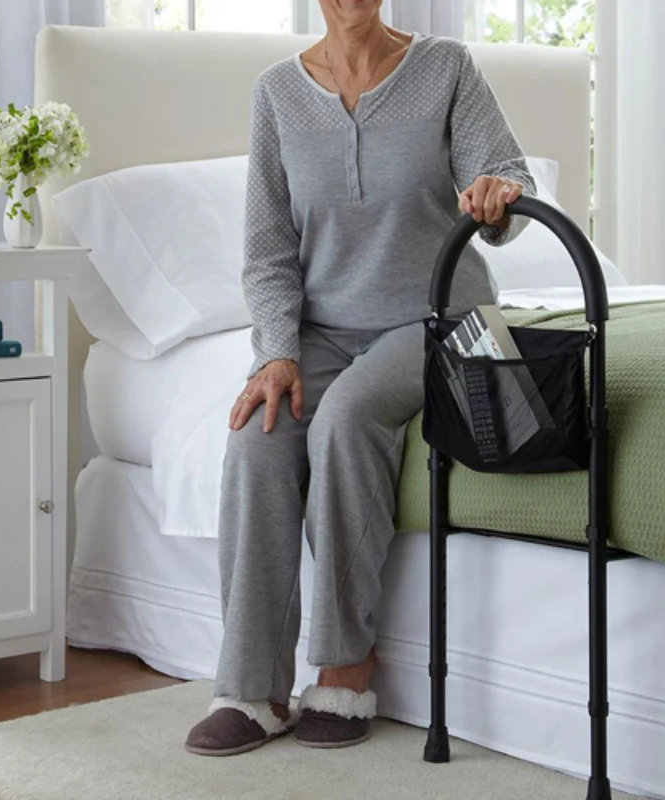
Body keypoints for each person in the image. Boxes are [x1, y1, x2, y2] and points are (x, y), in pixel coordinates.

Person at [185, 0, 535, 756]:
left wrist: (495, 197)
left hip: (437, 319)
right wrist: (276, 348)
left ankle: (344, 671)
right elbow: (268, 246)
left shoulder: (444, 68)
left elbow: (505, 175)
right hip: (318, 331)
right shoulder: (277, 93)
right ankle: (252, 690)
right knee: (258, 437)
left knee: (346, 418)